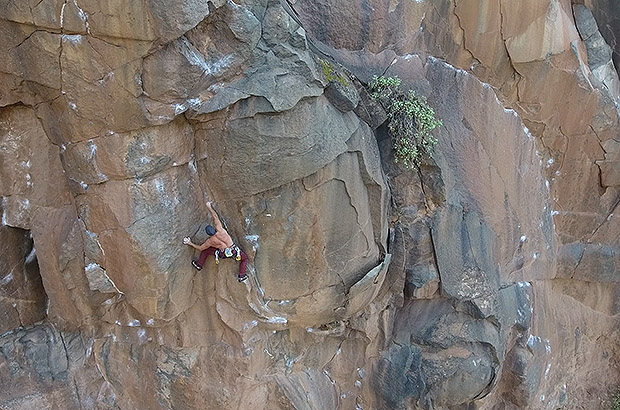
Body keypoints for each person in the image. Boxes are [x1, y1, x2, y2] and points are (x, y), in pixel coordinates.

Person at [183, 201, 248, 282]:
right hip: (234, 251)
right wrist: (209, 207)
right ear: (214, 229)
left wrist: (189, 243)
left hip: (222, 254)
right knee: (244, 259)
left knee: (206, 251)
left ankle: (199, 264)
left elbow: (200, 248)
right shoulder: (221, 230)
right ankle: (241, 275)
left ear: (208, 234)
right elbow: (215, 217)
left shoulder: (210, 241)